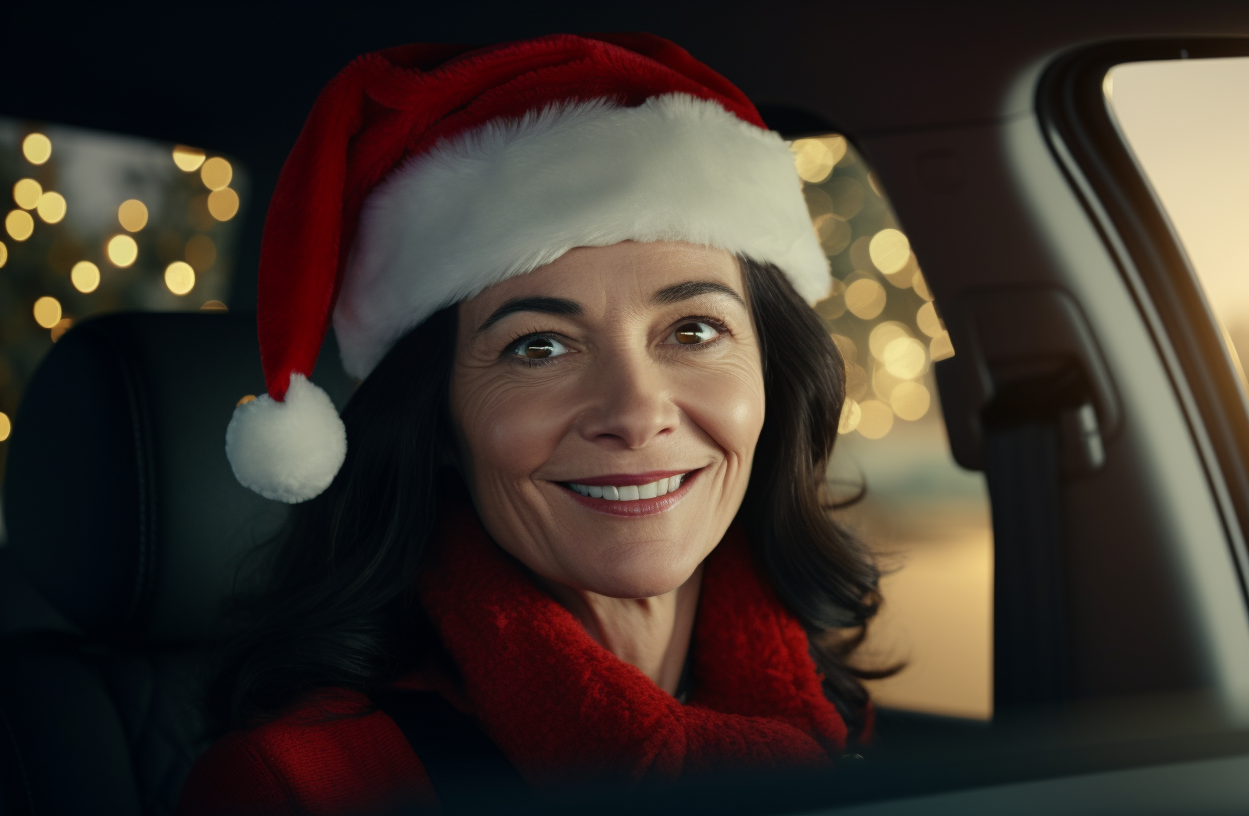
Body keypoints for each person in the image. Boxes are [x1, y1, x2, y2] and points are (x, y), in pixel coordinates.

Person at [179, 33, 892, 815]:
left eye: (693, 332)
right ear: (438, 423)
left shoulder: (830, 716)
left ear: (773, 377)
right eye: (539, 346)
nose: (635, 413)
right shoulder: (303, 788)